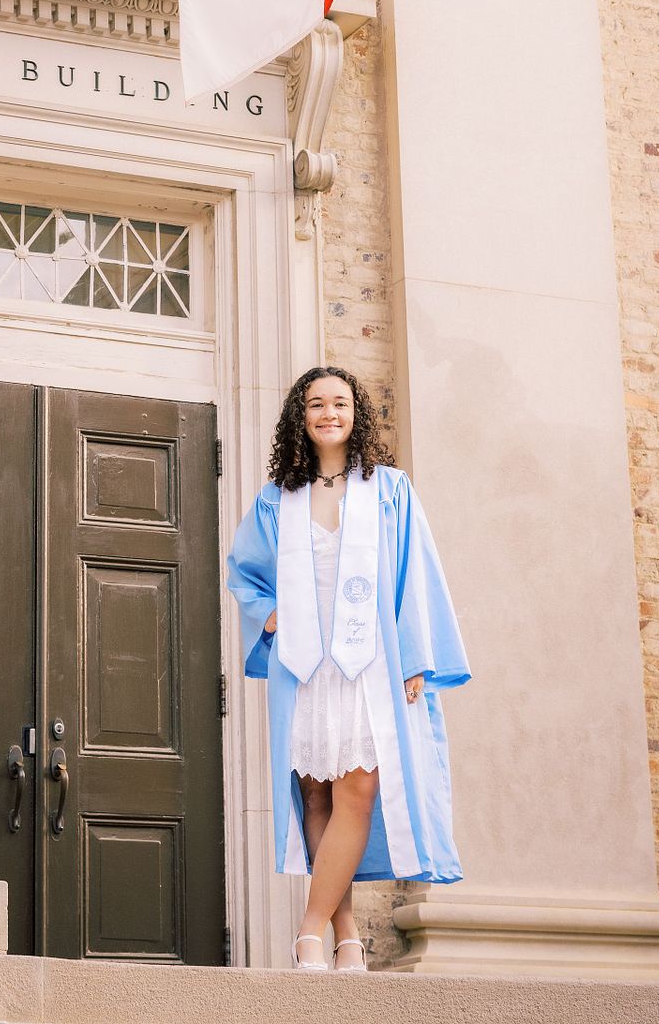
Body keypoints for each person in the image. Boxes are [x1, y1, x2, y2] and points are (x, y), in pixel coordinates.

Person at [227, 366, 470, 973]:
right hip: (307, 666)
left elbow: (415, 576)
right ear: (299, 416)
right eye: (315, 404)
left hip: (370, 666)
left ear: (355, 411)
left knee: (357, 789)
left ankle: (309, 930)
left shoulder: (387, 488)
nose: (328, 413)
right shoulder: (277, 498)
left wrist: (416, 658)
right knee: (316, 797)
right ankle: (348, 935)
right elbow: (244, 573)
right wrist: (269, 613)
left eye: (339, 402)